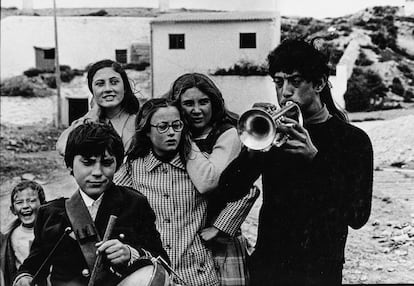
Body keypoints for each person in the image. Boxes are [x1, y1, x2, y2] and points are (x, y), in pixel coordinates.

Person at [219, 39, 374, 286]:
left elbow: (357, 216)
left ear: (320, 83)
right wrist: (254, 147)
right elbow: (228, 190)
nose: (285, 92)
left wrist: (315, 159)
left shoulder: (353, 140)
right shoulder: (273, 133)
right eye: (278, 82)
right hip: (269, 266)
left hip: (319, 269)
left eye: (295, 81)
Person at [115, 98, 256, 286]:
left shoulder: (199, 165)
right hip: (155, 274)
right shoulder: (133, 167)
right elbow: (111, 198)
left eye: (177, 125)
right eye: (163, 127)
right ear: (147, 131)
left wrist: (218, 228)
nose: (172, 133)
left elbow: (246, 190)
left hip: (199, 273)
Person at [13, 122, 169, 286]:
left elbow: (162, 262)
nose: (97, 172)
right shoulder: (49, 214)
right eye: (87, 162)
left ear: (117, 164)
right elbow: (33, 267)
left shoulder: (134, 204)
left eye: (107, 162)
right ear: (69, 164)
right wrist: (25, 278)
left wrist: (131, 254)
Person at [168, 73, 260, 286]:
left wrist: (218, 228)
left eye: (203, 102)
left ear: (214, 102)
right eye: (188, 104)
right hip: (184, 240)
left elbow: (210, 182)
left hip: (218, 241)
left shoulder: (228, 134)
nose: (197, 110)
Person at [56, 59, 140, 155]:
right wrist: (94, 112)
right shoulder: (90, 123)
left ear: (124, 88)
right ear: (93, 91)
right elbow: (63, 147)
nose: (108, 89)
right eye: (100, 84)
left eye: (114, 82)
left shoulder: (140, 123)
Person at [0, 180, 47, 286]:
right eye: (19, 202)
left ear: (43, 205)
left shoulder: (50, 231)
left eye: (31, 200)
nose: (25, 206)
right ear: (13, 210)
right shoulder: (11, 237)